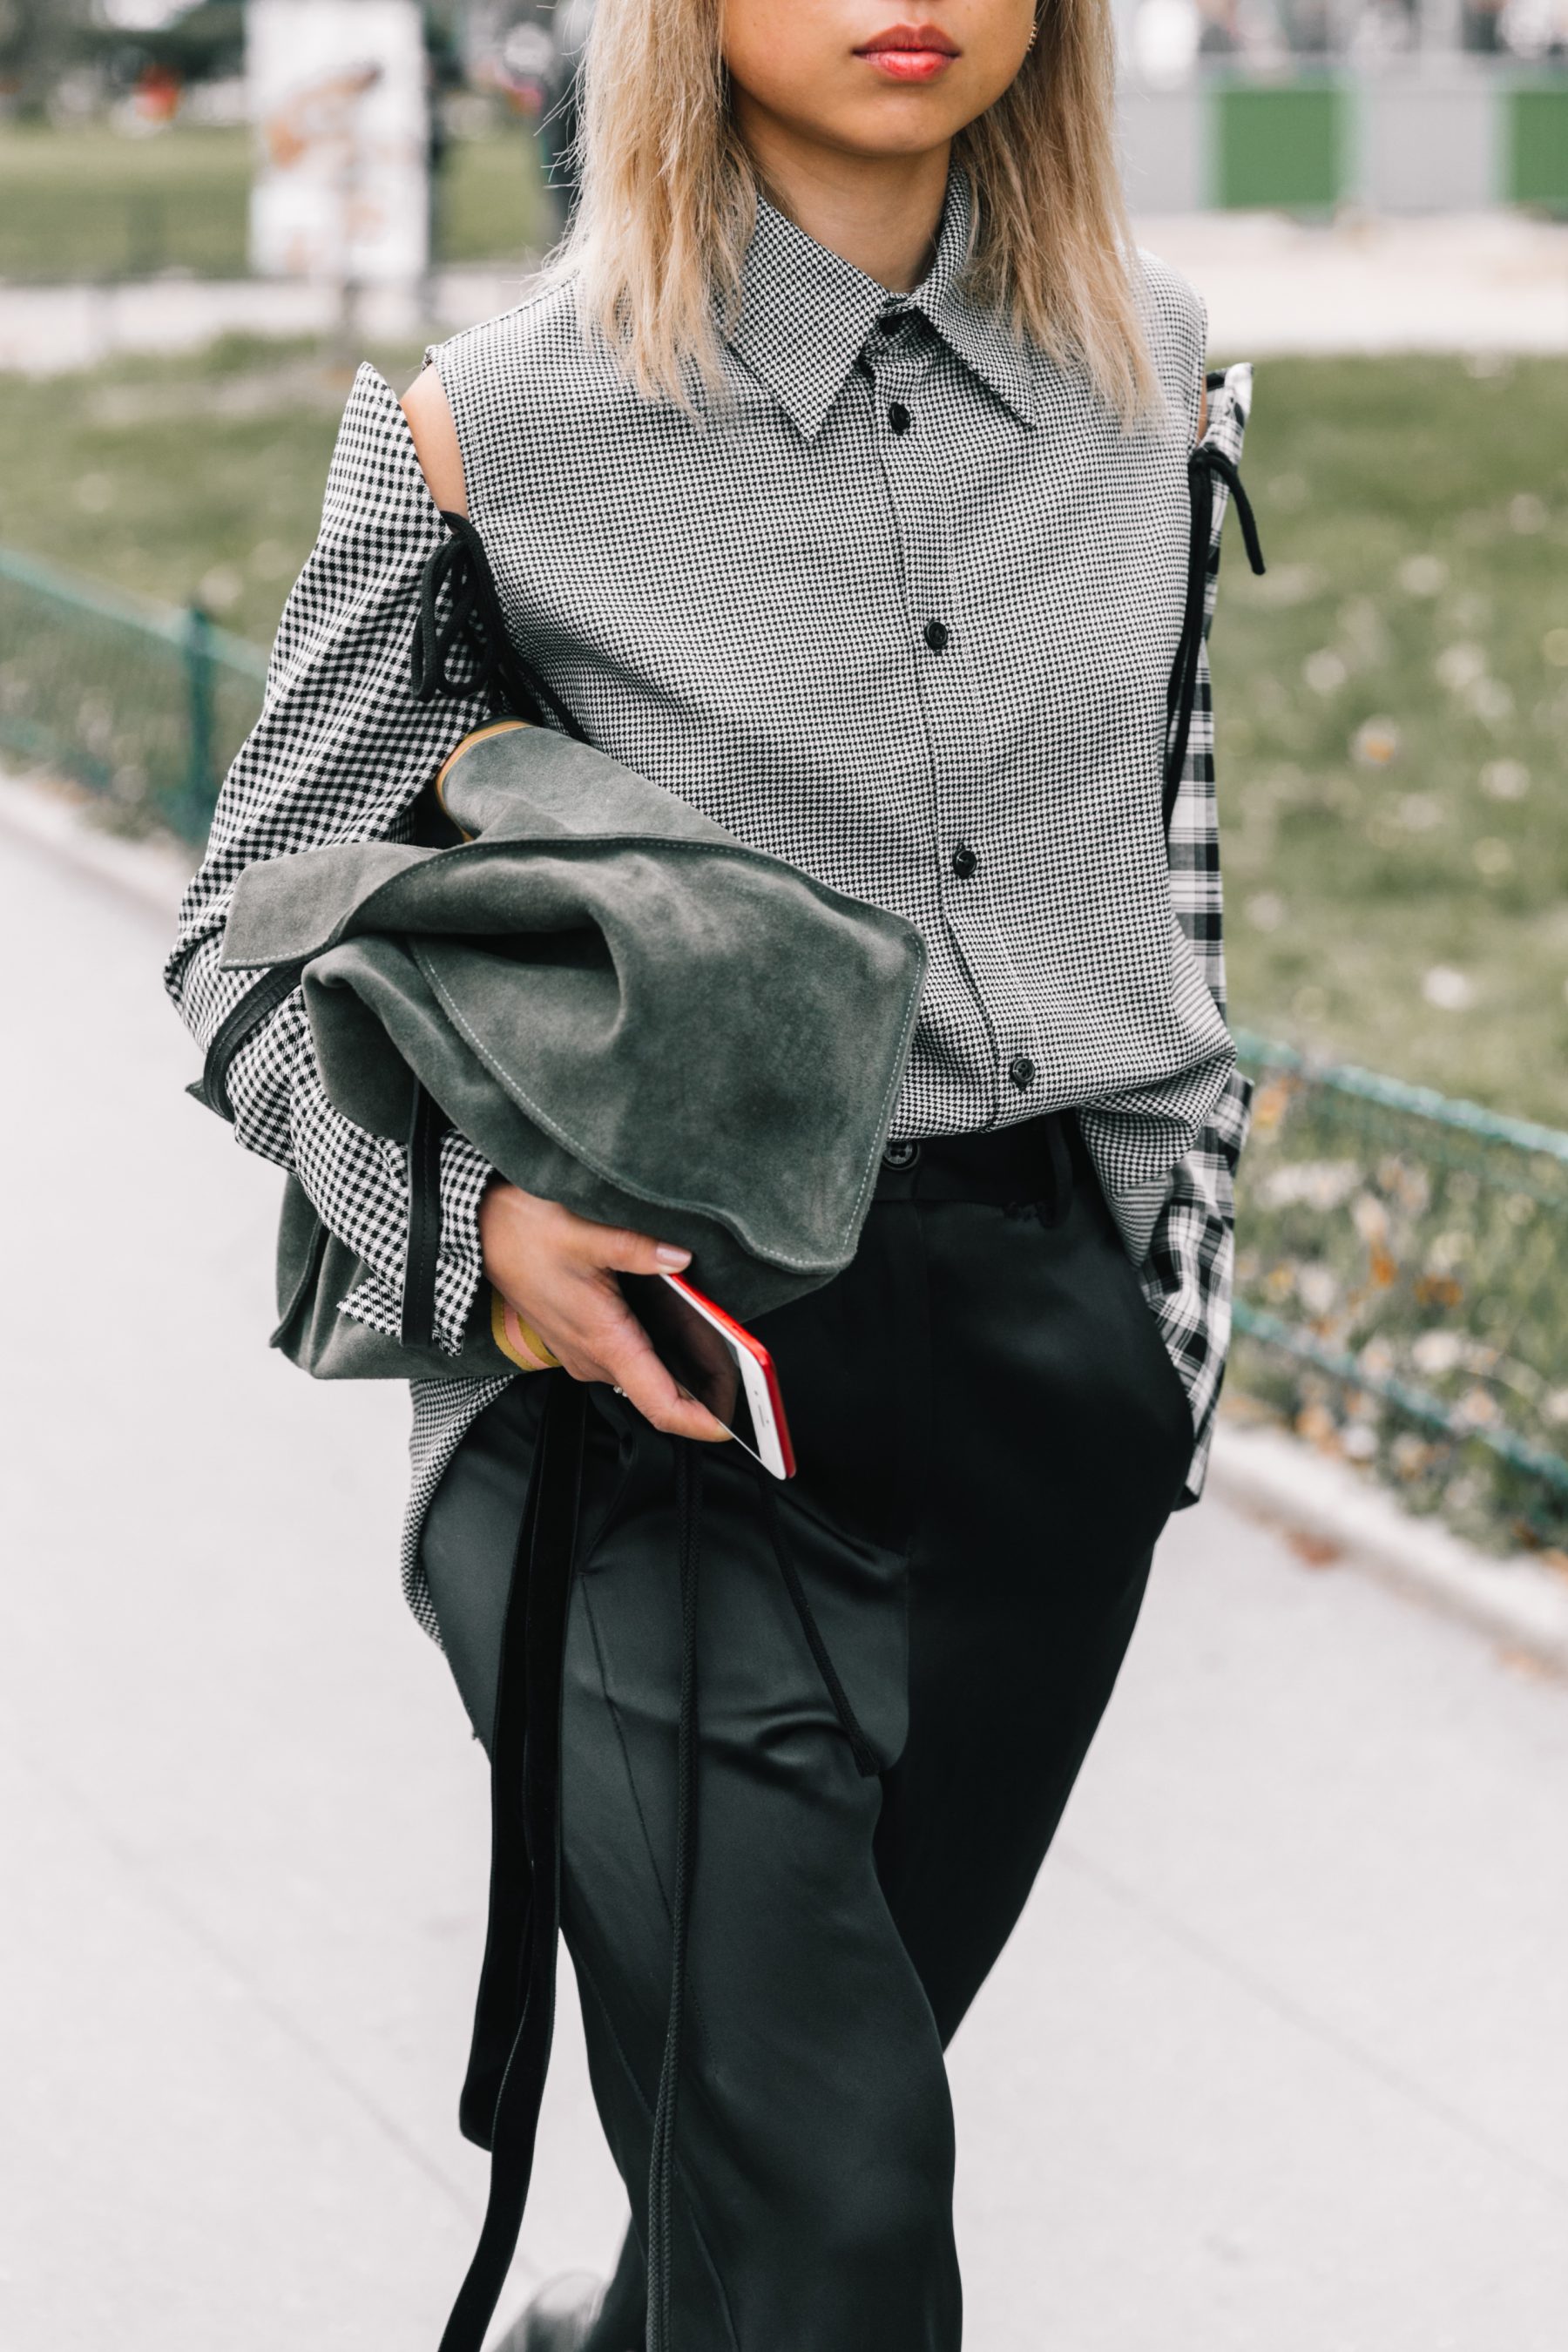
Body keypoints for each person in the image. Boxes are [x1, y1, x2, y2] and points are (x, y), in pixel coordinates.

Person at [165, 2, 1259, 2346]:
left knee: (765, 2187)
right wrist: (473, 1238)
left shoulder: (1154, 371)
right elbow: (240, 929)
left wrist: (1175, 1302)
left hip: (1048, 1401)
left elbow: (1166, 853)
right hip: (648, 1404)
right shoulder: (487, 429)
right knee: (836, 2217)